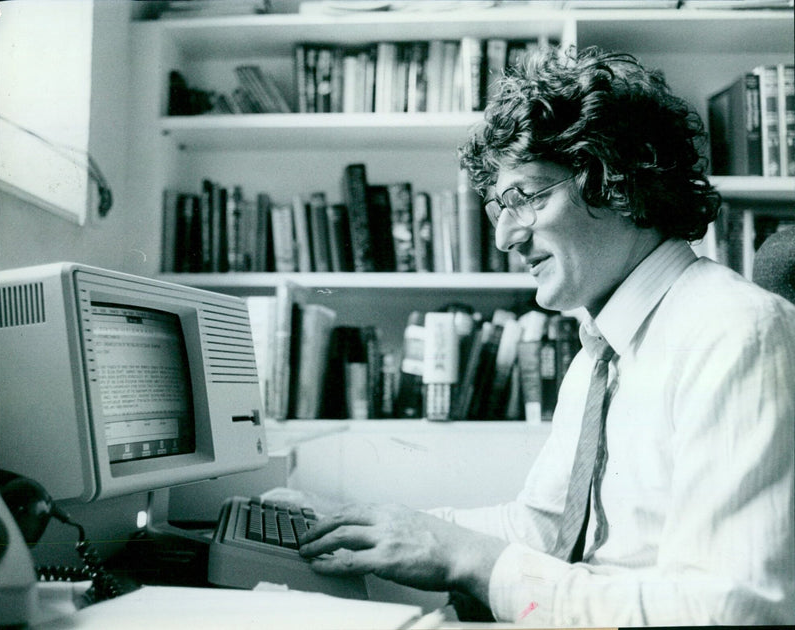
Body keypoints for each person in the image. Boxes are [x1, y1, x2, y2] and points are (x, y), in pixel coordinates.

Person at [272, 46, 795, 627]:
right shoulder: (600, 351)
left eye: (524, 196)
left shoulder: (735, 332)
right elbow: (544, 530)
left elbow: (734, 611)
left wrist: (469, 561)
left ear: (616, 178)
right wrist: (368, 523)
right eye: (498, 206)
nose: (503, 238)